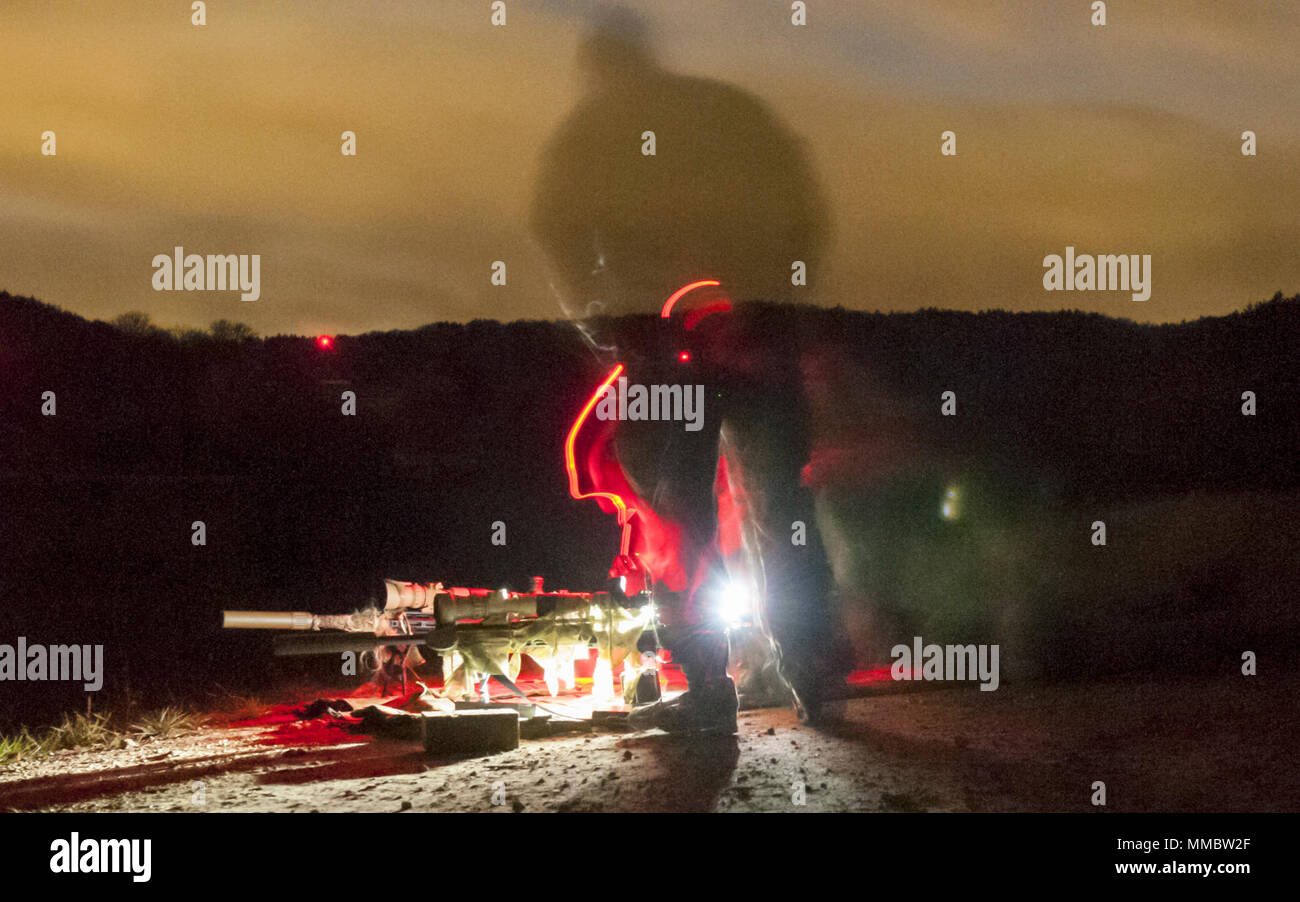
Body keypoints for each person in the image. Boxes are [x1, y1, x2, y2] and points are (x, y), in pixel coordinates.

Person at [531, 9, 849, 732]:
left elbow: (559, 235)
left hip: (666, 347)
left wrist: (607, 323)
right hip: (749, 339)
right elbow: (799, 200)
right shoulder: (727, 111)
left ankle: (709, 685)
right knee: (777, 507)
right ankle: (809, 673)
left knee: (680, 518)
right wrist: (773, 297)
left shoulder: (587, 139)